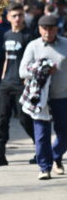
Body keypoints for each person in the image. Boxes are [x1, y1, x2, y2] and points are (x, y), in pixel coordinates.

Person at [0, 2, 35, 167]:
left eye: (20, 15)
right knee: (2, 119)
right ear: (8, 18)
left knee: (24, 119)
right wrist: (2, 76)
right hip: (6, 84)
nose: (17, 18)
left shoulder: (29, 36)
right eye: (14, 16)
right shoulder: (6, 35)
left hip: (22, 84)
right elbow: (7, 57)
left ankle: (40, 147)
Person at [19, 15, 67, 180]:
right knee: (41, 134)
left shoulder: (65, 45)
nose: (48, 32)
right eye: (44, 29)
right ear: (39, 29)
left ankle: (56, 157)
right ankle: (44, 167)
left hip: (62, 96)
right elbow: (22, 71)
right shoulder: (33, 46)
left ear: (56, 29)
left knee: (64, 133)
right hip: (40, 97)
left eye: (51, 28)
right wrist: (42, 69)